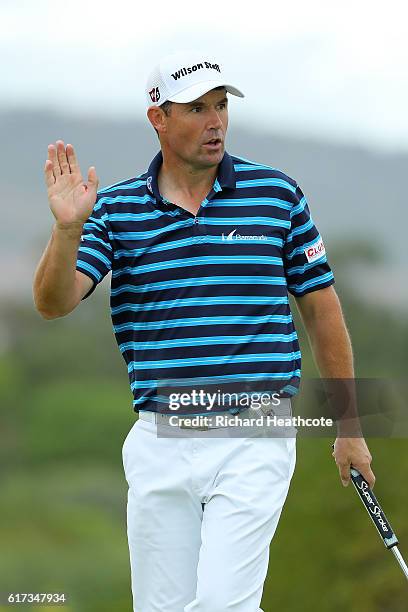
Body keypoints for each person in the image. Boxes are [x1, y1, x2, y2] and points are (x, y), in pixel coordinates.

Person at [33, 50, 376, 612]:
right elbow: (54, 302)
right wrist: (67, 230)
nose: (215, 121)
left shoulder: (276, 196)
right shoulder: (116, 209)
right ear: (158, 119)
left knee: (221, 605)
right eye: (196, 108)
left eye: (220, 106)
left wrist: (350, 426)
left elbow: (321, 306)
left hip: (254, 432)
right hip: (159, 436)